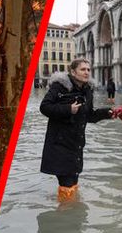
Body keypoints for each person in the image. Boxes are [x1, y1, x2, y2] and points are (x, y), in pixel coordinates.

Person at [40, 58, 114, 202]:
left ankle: (72, 215)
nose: (86, 72)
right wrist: (68, 109)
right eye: (83, 69)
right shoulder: (59, 87)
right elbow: (44, 107)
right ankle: (67, 216)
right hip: (59, 144)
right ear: (73, 72)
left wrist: (107, 113)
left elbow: (89, 115)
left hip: (76, 145)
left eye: (88, 69)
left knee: (73, 182)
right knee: (67, 184)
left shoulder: (88, 90)